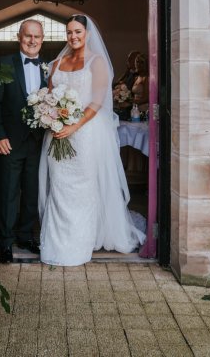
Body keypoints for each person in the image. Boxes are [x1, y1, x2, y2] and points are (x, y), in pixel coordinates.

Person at [38, 14, 145, 266]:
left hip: (86, 133)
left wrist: (74, 125)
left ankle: (81, 241)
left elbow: (97, 102)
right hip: (58, 132)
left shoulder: (97, 63)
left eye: (78, 32)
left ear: (87, 34)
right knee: (60, 185)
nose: (73, 37)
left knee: (83, 187)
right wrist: (52, 117)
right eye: (69, 32)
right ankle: (56, 240)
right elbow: (50, 96)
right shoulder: (57, 63)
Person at [0, 19, 47, 264]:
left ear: (42, 39)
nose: (32, 41)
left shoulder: (49, 67)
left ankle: (25, 236)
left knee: (32, 192)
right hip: (10, 142)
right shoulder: (3, 64)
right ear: (18, 36)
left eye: (37, 37)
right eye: (28, 36)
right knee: (8, 193)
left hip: (38, 142)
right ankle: (6, 242)